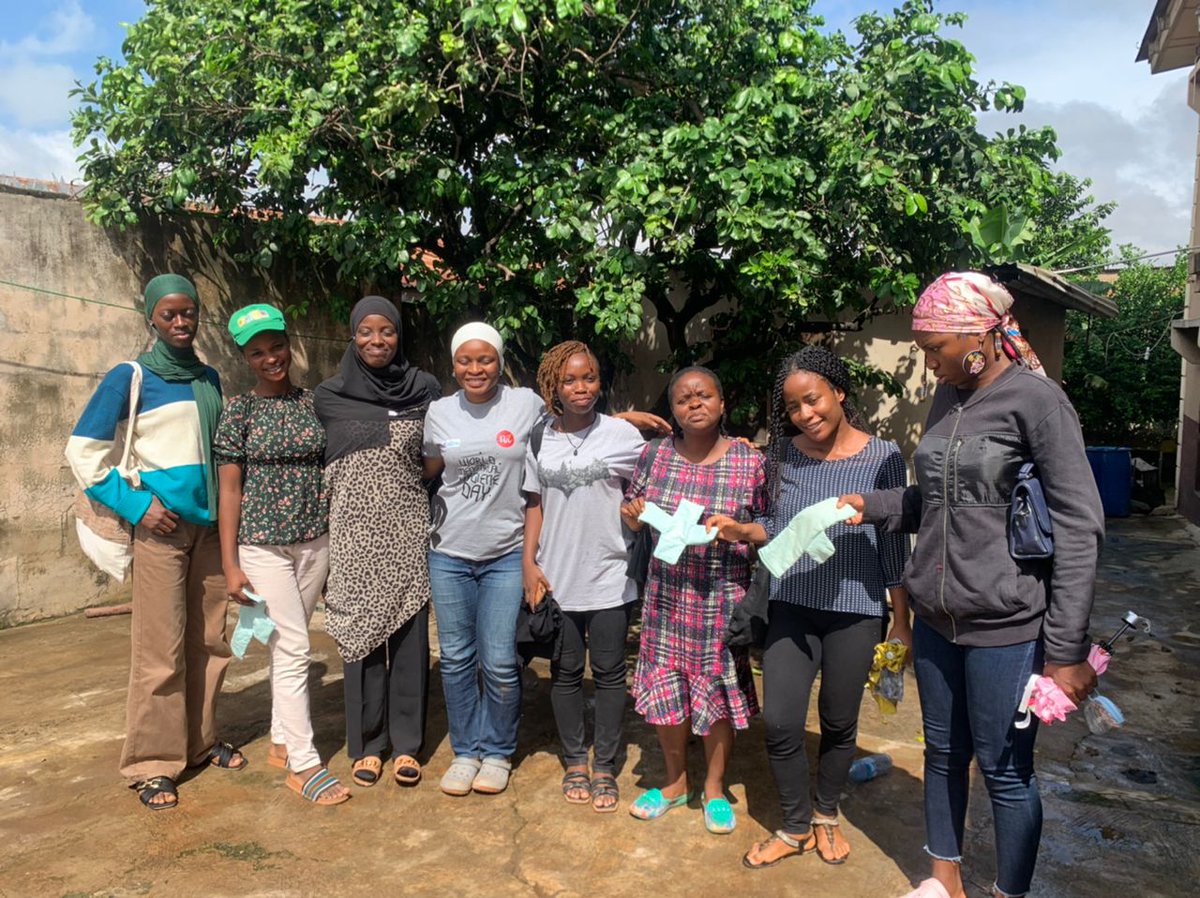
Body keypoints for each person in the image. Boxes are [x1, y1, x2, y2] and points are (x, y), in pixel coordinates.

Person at [839, 272, 1104, 898]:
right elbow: (935, 499)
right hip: (936, 618)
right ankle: (944, 883)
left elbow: (1080, 526)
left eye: (936, 348)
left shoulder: (1038, 402)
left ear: (979, 335)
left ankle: (1007, 892)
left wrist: (1065, 650)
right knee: (942, 755)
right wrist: (872, 504)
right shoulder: (948, 400)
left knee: (1006, 772)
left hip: (1007, 628)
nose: (930, 364)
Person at [424, 323, 669, 797]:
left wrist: (727, 444)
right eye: (465, 360)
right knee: (459, 658)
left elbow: (636, 458)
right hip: (467, 552)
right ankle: (469, 752)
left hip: (553, 562)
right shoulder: (443, 414)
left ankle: (504, 752)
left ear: (499, 362)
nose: (476, 368)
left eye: (486, 359)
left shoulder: (532, 410)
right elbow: (436, 470)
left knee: (504, 660)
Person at [717, 346, 910, 868]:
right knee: (780, 722)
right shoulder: (781, 455)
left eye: (814, 400)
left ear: (838, 392)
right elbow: (775, 529)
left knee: (838, 721)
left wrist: (901, 620)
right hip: (792, 606)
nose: (806, 414)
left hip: (857, 610)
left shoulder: (884, 456)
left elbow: (894, 543)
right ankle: (795, 825)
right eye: (795, 407)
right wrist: (741, 530)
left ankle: (826, 815)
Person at [66, 273, 240, 811]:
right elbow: (83, 451)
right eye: (170, 314)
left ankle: (198, 741)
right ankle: (152, 763)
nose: (182, 322)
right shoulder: (131, 376)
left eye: (189, 313)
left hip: (210, 530)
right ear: (151, 319)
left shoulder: (208, 378)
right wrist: (139, 506)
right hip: (161, 531)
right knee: (160, 651)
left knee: (210, 642)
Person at [619, 365, 766, 835]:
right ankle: (675, 782)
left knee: (717, 694)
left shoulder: (750, 461)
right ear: (673, 411)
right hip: (666, 598)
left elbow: (769, 528)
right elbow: (633, 510)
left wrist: (739, 530)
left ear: (722, 405)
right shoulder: (654, 455)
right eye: (683, 399)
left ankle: (717, 788)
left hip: (722, 597)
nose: (694, 404)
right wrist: (634, 515)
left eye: (704, 395)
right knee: (668, 692)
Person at [214, 304, 349, 806]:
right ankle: (304, 763)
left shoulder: (315, 402)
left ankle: (278, 737)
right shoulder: (239, 412)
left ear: (288, 345)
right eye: (257, 352)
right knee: (294, 646)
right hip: (262, 546)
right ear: (245, 357)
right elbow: (230, 492)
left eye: (276, 346)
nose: (270, 358)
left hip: (315, 540)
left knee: (284, 641)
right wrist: (231, 564)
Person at [314, 296, 440, 790]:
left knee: (410, 641)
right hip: (352, 533)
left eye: (386, 331)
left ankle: (407, 745)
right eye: (366, 331)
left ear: (399, 335)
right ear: (352, 335)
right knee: (360, 636)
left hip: (408, 528)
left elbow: (439, 454)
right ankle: (367, 745)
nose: (376, 341)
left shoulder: (425, 388)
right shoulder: (327, 396)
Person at [521, 341, 645, 812]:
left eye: (589, 378)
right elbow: (534, 503)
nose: (581, 388)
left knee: (611, 674)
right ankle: (575, 759)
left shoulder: (621, 436)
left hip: (611, 575)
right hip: (557, 577)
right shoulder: (540, 438)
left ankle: (605, 766)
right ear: (553, 385)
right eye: (570, 380)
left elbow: (655, 483)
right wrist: (528, 563)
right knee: (566, 671)